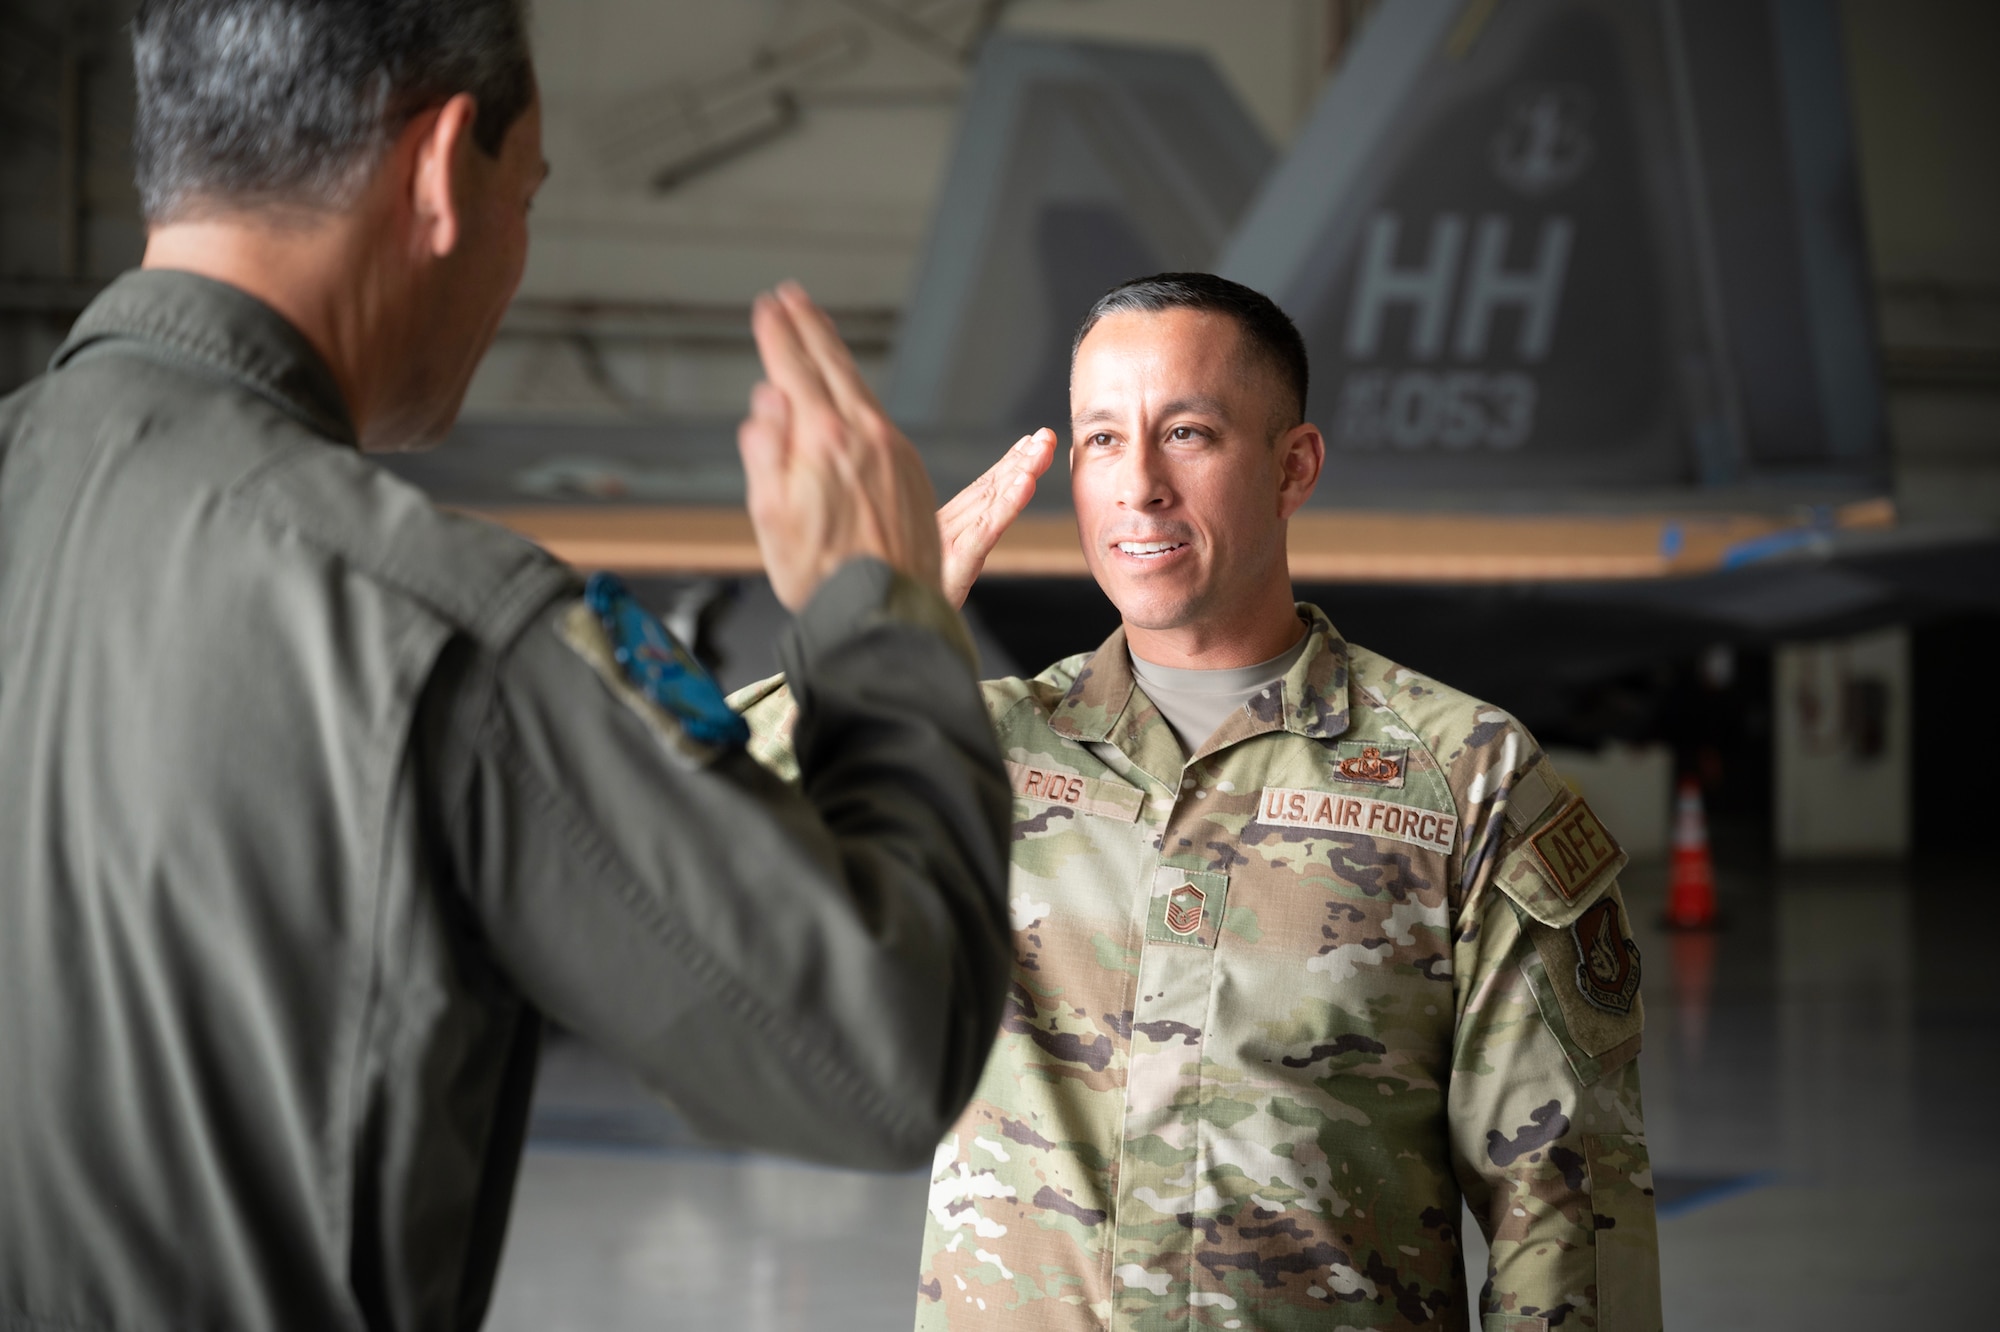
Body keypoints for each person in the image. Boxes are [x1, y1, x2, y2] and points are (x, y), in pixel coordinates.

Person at [0, 2, 1013, 1328]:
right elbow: (877, 1048)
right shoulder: (438, 629)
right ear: (437, 173)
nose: (516, 258)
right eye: (523, 197)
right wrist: (876, 619)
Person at [735, 273, 1663, 1331]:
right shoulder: (969, 749)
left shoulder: (1465, 779)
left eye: (1186, 433)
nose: (1138, 485)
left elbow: (1562, 1211)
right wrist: (869, 642)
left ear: (1292, 466)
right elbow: (679, 829)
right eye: (1098, 441)